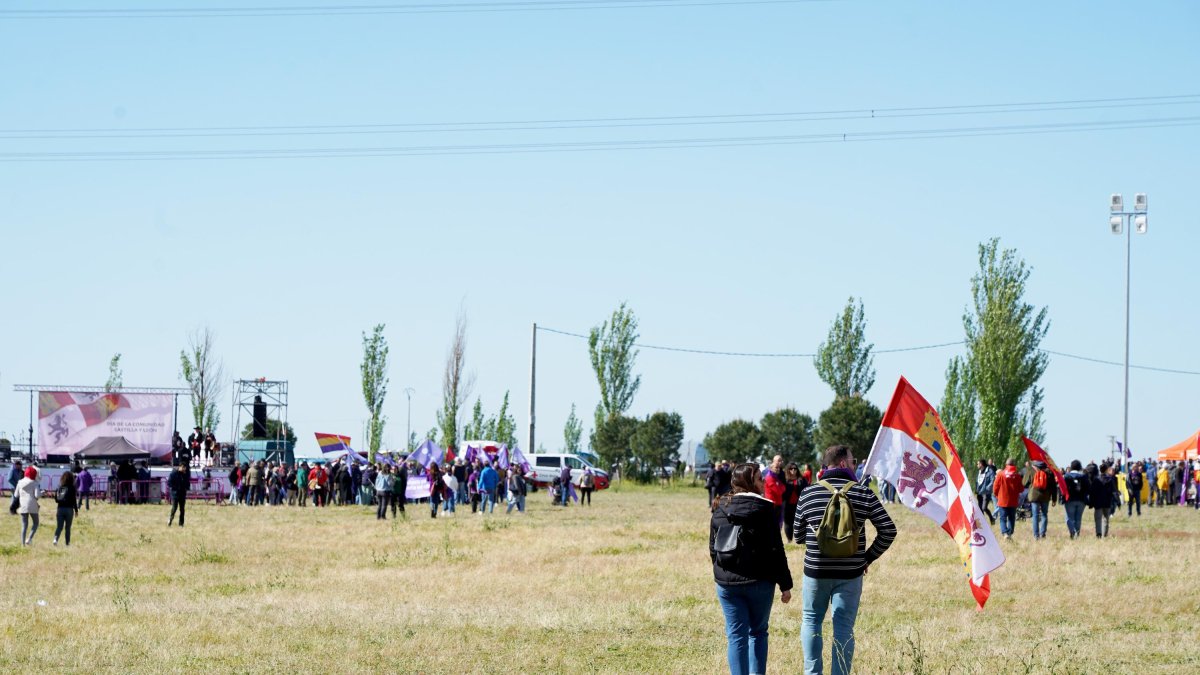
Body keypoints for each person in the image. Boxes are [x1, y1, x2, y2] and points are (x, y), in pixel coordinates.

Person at [793, 445, 897, 675]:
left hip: (816, 571)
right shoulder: (864, 493)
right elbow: (888, 530)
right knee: (843, 627)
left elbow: (798, 536)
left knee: (811, 622)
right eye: (852, 461)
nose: (854, 465)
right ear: (842, 464)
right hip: (851, 572)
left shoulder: (808, 493)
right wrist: (867, 558)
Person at [709, 463, 792, 675]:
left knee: (736, 636)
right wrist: (785, 584)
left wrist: (720, 572)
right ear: (749, 483)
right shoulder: (765, 508)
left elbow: (713, 547)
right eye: (759, 479)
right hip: (760, 582)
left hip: (727, 584)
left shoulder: (719, 506)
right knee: (758, 633)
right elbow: (776, 549)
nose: (764, 482)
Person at [992, 458, 1023, 540]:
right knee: (1011, 518)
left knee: (1002, 518)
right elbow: (1021, 489)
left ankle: (1005, 533)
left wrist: (996, 495)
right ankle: (1009, 533)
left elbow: (995, 487)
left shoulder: (1000, 474)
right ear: (1014, 465)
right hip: (1013, 501)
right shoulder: (1017, 476)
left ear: (1006, 465)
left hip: (1002, 500)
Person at [1024, 460, 1053, 539]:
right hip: (1045, 496)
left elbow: (1024, 483)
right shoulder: (1049, 472)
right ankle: (1042, 533)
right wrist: (1054, 498)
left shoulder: (1031, 470)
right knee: (1044, 515)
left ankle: (1036, 535)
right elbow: (1053, 486)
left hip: (1034, 496)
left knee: (1035, 515)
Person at [1062, 460, 1090, 539]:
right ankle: (1077, 534)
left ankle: (1073, 531)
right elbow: (1088, 488)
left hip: (1069, 500)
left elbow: (1063, 488)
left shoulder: (1066, 476)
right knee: (1078, 518)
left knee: (1069, 518)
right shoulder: (1084, 477)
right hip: (1081, 500)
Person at [1087, 463, 1116, 538]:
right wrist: (1117, 502)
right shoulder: (1110, 479)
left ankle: (1098, 533)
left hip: (1098, 503)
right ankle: (1105, 534)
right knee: (1106, 519)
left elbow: (1092, 492)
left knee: (1098, 519)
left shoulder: (1096, 480)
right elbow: (1113, 491)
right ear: (1106, 470)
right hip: (1107, 502)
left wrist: (1091, 503)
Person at [16, 466, 42, 546]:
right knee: (36, 523)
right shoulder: (34, 483)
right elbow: (37, 496)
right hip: (32, 505)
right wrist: (42, 493)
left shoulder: (20, 482)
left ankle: (23, 544)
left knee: (24, 525)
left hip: (23, 505)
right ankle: (29, 539)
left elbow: (16, 495)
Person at [781, 463, 805, 544]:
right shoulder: (785, 480)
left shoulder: (801, 479)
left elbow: (806, 489)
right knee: (788, 523)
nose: (793, 470)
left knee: (800, 522)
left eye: (795, 468)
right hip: (787, 505)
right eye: (791, 469)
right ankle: (789, 540)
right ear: (788, 470)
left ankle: (800, 540)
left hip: (799, 505)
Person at [53, 470, 77, 546]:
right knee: (68, 527)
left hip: (60, 509)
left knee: (59, 526)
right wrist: (76, 510)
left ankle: (55, 539)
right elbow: (74, 500)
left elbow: (56, 500)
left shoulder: (59, 487)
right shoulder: (72, 488)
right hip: (69, 509)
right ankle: (67, 543)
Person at [763, 455, 785, 526]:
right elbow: (779, 492)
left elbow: (783, 488)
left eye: (778, 468)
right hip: (772, 506)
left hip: (777, 505)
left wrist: (780, 487)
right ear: (771, 468)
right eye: (776, 467)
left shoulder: (775, 477)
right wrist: (780, 487)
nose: (778, 469)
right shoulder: (770, 477)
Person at [975, 459, 996, 525]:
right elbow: (977, 482)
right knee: (980, 509)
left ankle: (991, 518)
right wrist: (976, 489)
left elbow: (993, 480)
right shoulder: (979, 472)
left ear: (981, 464)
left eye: (978, 464)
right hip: (979, 493)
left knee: (984, 508)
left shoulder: (990, 471)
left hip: (986, 493)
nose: (977, 465)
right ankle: (983, 523)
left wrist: (987, 488)